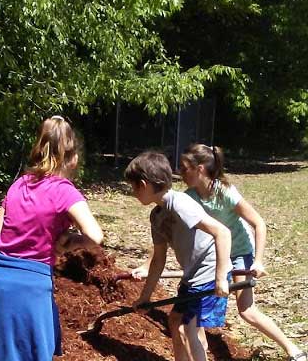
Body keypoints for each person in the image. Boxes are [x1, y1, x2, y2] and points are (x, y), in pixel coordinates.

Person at [0, 116, 104, 361]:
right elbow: (95, 235)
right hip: (28, 286)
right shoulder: (64, 190)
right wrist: (71, 242)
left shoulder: (18, 184)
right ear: (73, 158)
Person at [181, 144, 307, 361]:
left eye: (185, 169)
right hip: (213, 257)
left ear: (199, 168)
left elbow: (259, 223)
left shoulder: (225, 193)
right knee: (197, 312)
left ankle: (293, 350)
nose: (181, 173)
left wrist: (258, 261)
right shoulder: (189, 197)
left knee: (246, 310)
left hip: (239, 252)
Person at [125, 151, 232, 361]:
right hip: (193, 277)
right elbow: (158, 259)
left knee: (185, 328)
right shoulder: (157, 216)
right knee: (175, 321)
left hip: (208, 274)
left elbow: (222, 232)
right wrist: (145, 297)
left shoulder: (180, 204)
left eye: (133, 187)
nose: (133, 192)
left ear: (144, 184)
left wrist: (220, 278)